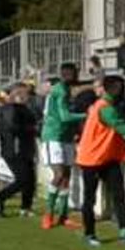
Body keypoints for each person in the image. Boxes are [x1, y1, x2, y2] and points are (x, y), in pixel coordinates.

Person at [76, 75, 125, 247]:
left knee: (118, 195)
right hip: (92, 157)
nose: (122, 91)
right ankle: (89, 234)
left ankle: (124, 230)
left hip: (106, 156)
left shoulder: (105, 106)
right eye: (120, 88)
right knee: (91, 198)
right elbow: (123, 128)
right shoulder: (105, 107)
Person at [39, 63, 87, 229]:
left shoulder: (64, 89)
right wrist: (86, 114)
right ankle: (49, 214)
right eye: (75, 73)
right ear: (68, 74)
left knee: (66, 175)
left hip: (66, 137)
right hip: (54, 136)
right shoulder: (60, 90)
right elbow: (65, 116)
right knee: (59, 174)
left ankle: (63, 216)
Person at [0, 83, 37, 218]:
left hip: (25, 148)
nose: (27, 96)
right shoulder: (9, 108)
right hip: (14, 149)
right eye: (24, 93)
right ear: (16, 94)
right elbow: (12, 127)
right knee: (23, 179)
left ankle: (25, 208)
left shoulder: (23, 108)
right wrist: (33, 129)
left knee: (30, 180)